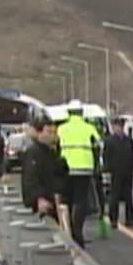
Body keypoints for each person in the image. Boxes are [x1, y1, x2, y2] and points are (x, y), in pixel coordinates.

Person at [57, 99, 102, 247]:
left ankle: (67, 231)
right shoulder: (89, 128)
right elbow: (99, 145)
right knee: (80, 202)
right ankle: (78, 233)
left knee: (67, 201)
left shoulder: (61, 128)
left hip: (65, 169)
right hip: (84, 168)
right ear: (81, 112)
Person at [20, 109, 68, 220]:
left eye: (54, 132)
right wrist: (39, 198)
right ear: (39, 133)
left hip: (57, 200)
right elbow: (30, 177)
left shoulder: (52, 152)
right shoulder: (34, 152)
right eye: (49, 132)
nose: (52, 136)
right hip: (45, 203)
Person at [104, 116, 133, 228]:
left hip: (127, 171)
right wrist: (107, 169)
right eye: (117, 126)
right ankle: (113, 219)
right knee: (114, 196)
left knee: (128, 196)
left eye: (121, 126)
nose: (119, 128)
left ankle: (130, 219)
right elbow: (106, 156)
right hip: (116, 171)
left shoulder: (128, 140)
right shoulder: (109, 140)